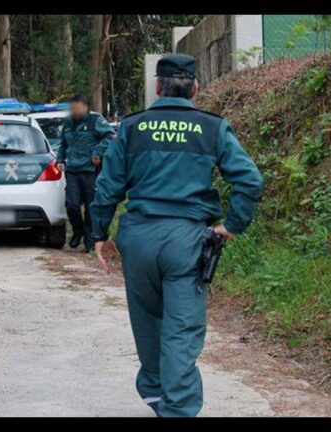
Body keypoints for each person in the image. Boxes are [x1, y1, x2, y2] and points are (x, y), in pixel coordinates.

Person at [90, 54, 264, 417]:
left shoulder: (132, 127)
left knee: (148, 321)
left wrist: (98, 233)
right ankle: (177, 408)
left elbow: (108, 186)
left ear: (157, 87)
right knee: (181, 329)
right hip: (187, 240)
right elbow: (249, 180)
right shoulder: (212, 128)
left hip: (138, 238)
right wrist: (232, 226)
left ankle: (156, 395)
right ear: (195, 88)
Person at [55, 94, 116, 253]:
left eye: (78, 108)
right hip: (72, 170)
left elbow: (111, 136)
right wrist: (59, 160)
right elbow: (63, 144)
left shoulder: (95, 121)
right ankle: (78, 230)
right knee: (71, 204)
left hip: (90, 170)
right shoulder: (68, 123)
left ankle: (89, 240)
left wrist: (98, 152)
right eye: (73, 108)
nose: (75, 111)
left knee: (90, 206)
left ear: (85, 107)